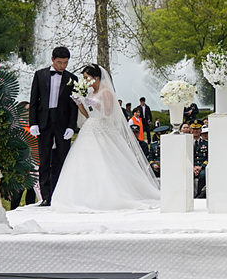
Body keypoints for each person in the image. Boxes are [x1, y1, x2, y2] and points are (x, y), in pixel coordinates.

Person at [51, 65, 160, 211]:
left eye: (86, 78)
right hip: (90, 127)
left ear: (96, 77)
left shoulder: (106, 91)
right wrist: (79, 103)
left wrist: (95, 104)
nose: (85, 81)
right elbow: (87, 114)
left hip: (103, 127)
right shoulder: (89, 92)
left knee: (106, 159)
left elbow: (107, 113)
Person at [28, 47, 79, 206]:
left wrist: (71, 126)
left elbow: (73, 105)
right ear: (52, 60)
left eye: (65, 63)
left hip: (62, 122)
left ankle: (60, 194)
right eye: (59, 62)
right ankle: (45, 197)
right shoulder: (40, 75)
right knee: (44, 159)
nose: (62, 66)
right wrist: (33, 123)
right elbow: (34, 100)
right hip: (44, 121)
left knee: (62, 159)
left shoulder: (72, 78)